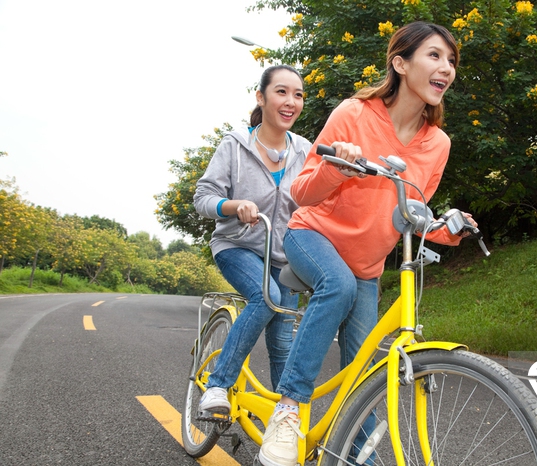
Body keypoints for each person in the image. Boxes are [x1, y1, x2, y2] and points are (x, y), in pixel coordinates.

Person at [257, 21, 477, 466]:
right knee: (335, 287)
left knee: (361, 374)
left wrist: (445, 230)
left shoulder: (438, 144)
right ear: (400, 63)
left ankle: (360, 458)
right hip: (313, 235)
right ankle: (288, 411)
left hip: (368, 266)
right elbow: (301, 192)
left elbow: (411, 213)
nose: (446, 68)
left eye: (451, 60)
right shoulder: (353, 113)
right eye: (434, 56)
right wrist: (338, 168)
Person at [193, 65, 311, 414]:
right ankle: (217, 385)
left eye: (299, 94)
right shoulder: (235, 145)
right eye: (281, 92)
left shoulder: (305, 151)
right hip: (237, 247)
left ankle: (286, 423)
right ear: (261, 97)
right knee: (265, 298)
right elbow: (203, 197)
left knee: (282, 343)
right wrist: (232, 205)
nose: (291, 101)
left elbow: (319, 196)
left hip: (285, 258)